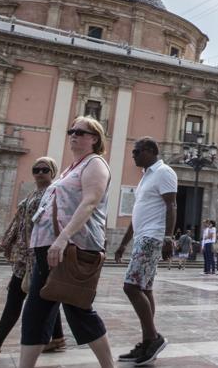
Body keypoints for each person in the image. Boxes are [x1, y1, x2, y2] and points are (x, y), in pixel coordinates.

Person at [18, 116, 115, 368]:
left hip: (72, 248)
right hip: (49, 248)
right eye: (71, 130)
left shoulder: (95, 164)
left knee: (77, 310)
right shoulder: (70, 168)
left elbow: (90, 202)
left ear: (94, 138)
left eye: (80, 132)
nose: (73, 135)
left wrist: (63, 238)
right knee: (38, 310)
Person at [0, 156, 66, 360]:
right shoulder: (31, 195)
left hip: (40, 257)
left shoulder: (54, 194)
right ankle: (57, 338)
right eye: (35, 170)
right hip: (24, 257)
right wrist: (4, 243)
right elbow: (17, 223)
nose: (39, 173)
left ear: (52, 172)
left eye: (44, 170)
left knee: (16, 298)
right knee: (46, 296)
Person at [113, 137, 177, 365]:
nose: (133, 155)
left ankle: (153, 337)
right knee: (145, 288)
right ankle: (147, 341)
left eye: (137, 151)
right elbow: (136, 215)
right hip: (142, 236)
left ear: (150, 151)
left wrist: (168, 237)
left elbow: (171, 205)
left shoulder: (164, 172)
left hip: (152, 237)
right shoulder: (145, 177)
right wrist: (122, 244)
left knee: (131, 286)